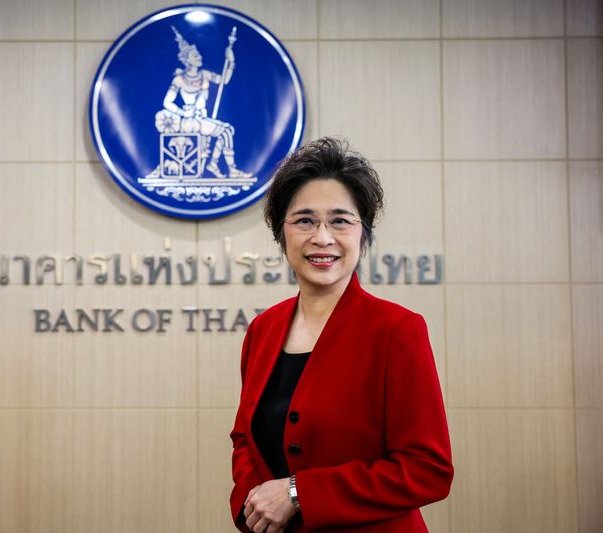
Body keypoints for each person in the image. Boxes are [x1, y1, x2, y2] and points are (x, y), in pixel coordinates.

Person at [230, 137, 453, 532]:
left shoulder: (396, 330)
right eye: (304, 220)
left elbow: (427, 469)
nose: (322, 237)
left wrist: (298, 494)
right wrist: (254, 505)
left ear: (362, 234)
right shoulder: (262, 330)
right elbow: (244, 440)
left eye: (339, 220)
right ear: (282, 235)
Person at [153, 26, 250, 178]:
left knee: (228, 130)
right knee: (225, 131)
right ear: (187, 60)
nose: (199, 56)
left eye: (198, 53)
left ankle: (214, 164)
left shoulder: (204, 74)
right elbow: (167, 102)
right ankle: (230, 169)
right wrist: (183, 112)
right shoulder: (179, 79)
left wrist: (231, 62)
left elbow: (224, 80)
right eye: (195, 55)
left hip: (201, 118)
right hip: (189, 121)